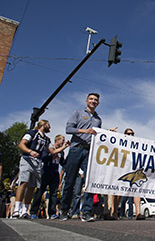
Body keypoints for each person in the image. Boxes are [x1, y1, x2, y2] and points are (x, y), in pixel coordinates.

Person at [60, 93, 104, 222]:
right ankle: (64, 210)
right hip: (75, 149)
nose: (93, 101)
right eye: (91, 99)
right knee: (70, 181)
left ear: (98, 103)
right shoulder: (77, 113)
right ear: (86, 101)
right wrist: (85, 131)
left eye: (96, 100)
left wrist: (107, 134)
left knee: (90, 180)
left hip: (89, 151)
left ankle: (86, 212)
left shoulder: (98, 119)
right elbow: (68, 129)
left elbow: (97, 135)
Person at [12, 120, 51, 219]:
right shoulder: (32, 133)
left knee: (32, 186)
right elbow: (21, 144)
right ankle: (17, 208)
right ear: (43, 125)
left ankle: (25, 209)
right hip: (28, 159)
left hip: (37, 162)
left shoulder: (46, 139)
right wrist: (30, 151)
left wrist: (64, 147)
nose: (49, 127)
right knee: (24, 182)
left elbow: (50, 150)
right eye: (48, 125)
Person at [30, 134, 69, 219]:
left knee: (54, 193)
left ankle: (52, 213)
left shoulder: (61, 152)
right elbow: (47, 155)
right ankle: (33, 211)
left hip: (55, 173)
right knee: (40, 191)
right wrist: (63, 148)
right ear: (57, 140)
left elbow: (63, 163)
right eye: (62, 140)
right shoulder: (49, 147)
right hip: (46, 171)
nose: (63, 142)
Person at [115, 128, 145, 220]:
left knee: (137, 191)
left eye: (132, 134)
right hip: (122, 170)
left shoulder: (137, 145)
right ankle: (115, 212)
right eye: (128, 134)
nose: (131, 136)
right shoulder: (120, 144)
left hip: (133, 170)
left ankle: (138, 213)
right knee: (119, 192)